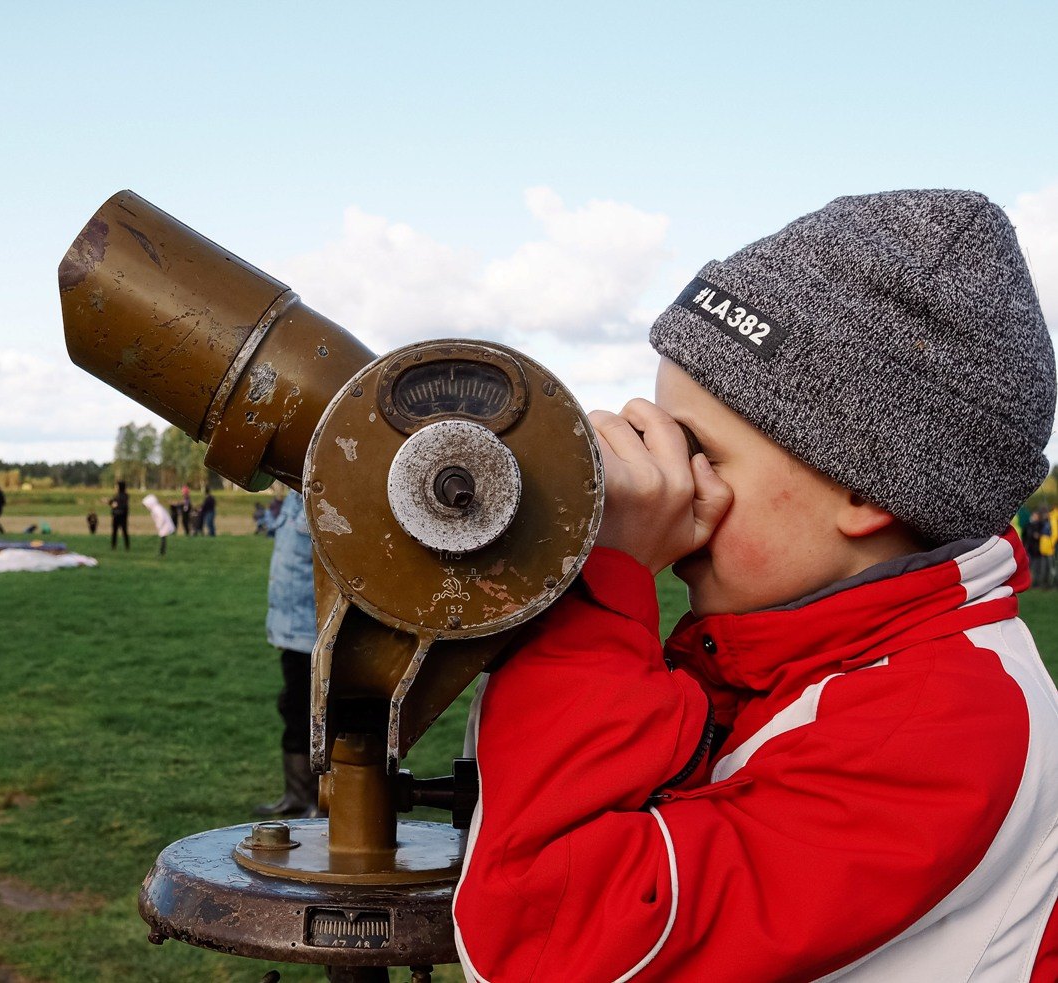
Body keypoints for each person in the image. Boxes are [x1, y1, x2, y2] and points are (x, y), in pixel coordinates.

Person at [453, 190, 1058, 980]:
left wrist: (602, 591)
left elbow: (555, 940)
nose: (666, 480)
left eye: (699, 450)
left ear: (865, 491)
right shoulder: (803, 660)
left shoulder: (939, 722)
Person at [252, 490, 321, 819]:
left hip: (315, 633)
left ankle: (323, 802)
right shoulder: (296, 495)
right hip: (292, 631)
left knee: (318, 716)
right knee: (293, 710)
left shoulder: (322, 489)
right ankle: (296, 796)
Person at [109, 480, 130, 551]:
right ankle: (114, 546)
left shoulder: (123, 496)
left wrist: (114, 504)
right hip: (117, 515)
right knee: (117, 532)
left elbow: (118, 505)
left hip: (121, 516)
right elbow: (113, 503)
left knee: (122, 531)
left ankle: (125, 546)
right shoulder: (119, 495)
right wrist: (110, 502)